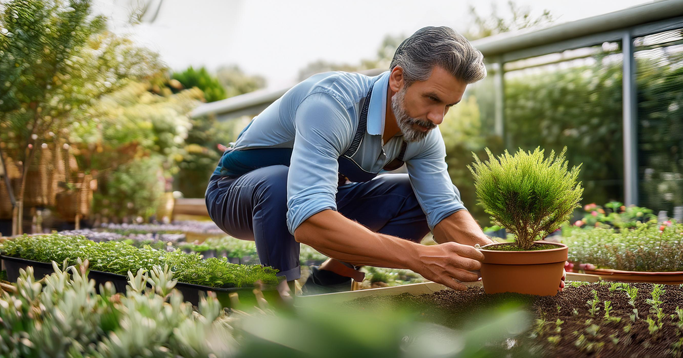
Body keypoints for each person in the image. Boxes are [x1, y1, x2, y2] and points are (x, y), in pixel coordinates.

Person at [205, 26, 564, 295]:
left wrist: (509, 261)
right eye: (432, 99)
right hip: (238, 194)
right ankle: (278, 297)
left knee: (415, 197)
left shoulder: (424, 133)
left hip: (319, 196)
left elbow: (445, 212)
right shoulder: (332, 105)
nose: (438, 117)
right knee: (279, 181)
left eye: (448, 106)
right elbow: (308, 222)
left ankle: (329, 280)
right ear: (397, 79)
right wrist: (418, 257)